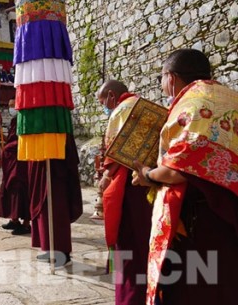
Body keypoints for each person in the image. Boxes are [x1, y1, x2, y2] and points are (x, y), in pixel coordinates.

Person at [131, 49, 238, 305]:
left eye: (161, 77)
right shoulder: (229, 96)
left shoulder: (194, 103)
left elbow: (177, 170)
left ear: (172, 77)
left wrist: (147, 174)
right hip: (228, 209)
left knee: (196, 288)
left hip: (199, 219)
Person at [96, 80, 152, 305]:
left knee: (128, 244)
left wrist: (105, 177)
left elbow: (114, 152)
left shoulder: (122, 109)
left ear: (112, 96)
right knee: (145, 241)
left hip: (127, 186)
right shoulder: (144, 105)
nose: (105, 108)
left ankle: (130, 298)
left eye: (103, 103)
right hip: (150, 181)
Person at [27, 134, 83, 268]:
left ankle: (63, 254)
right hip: (41, 168)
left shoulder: (60, 126)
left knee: (57, 214)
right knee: (44, 213)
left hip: (57, 174)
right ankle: (49, 249)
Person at [0, 99, 31, 235]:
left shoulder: (26, 120)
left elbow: (22, 141)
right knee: (10, 188)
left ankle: (26, 223)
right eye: (9, 106)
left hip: (22, 162)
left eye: (13, 106)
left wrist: (7, 147)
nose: (11, 109)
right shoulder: (14, 121)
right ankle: (14, 219)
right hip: (12, 162)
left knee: (21, 190)